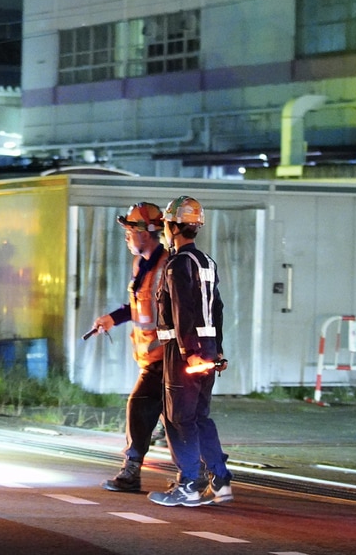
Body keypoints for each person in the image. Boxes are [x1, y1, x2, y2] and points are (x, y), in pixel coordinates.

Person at [148, 195, 233, 507]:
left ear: (172, 226)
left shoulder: (177, 264)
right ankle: (220, 480)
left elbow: (183, 309)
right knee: (199, 417)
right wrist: (216, 351)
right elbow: (217, 309)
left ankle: (189, 484)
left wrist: (188, 351)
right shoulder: (207, 262)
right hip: (208, 352)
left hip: (183, 354)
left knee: (178, 419)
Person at [90, 202, 170, 492]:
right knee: (174, 422)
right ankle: (204, 475)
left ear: (145, 233)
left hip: (166, 358)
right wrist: (113, 318)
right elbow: (140, 306)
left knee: (139, 406)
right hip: (152, 358)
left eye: (128, 231)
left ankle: (131, 471)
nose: (125, 236)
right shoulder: (142, 265)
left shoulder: (166, 267)